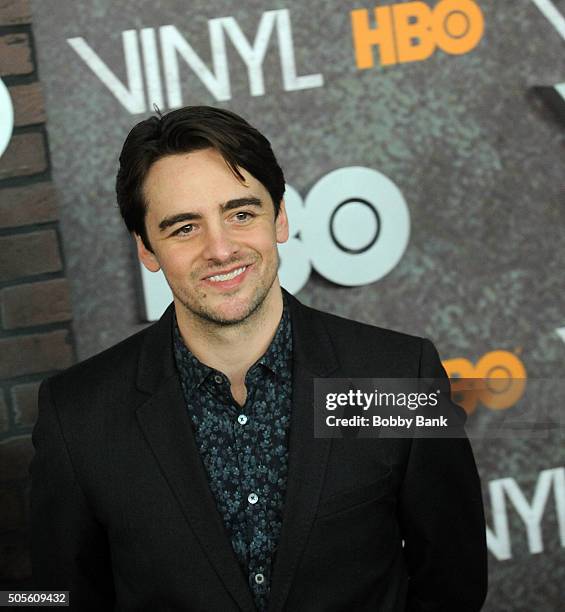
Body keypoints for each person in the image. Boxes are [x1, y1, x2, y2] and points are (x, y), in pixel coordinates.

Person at [31, 106, 487, 611]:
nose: (220, 249)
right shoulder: (76, 415)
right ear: (146, 248)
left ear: (281, 217)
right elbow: (55, 596)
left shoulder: (398, 374)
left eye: (241, 213)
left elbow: (454, 574)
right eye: (184, 228)